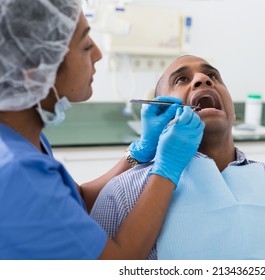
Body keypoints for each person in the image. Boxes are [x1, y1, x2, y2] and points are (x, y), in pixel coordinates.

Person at [91, 55, 265, 260]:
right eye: (181, 79)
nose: (203, 79)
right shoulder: (125, 193)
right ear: (162, 113)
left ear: (233, 112)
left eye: (212, 75)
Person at [0, 0, 204, 260]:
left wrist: (139, 153)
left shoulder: (26, 138)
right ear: (36, 71)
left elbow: (77, 201)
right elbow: (118, 263)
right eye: (86, 45)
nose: (98, 54)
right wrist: (166, 170)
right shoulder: (18, 172)